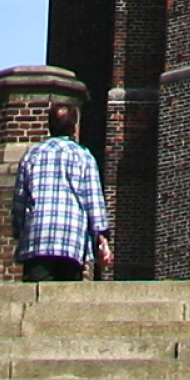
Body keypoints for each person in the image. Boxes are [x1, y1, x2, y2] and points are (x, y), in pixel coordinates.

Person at [12, 101, 113, 283]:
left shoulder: (32, 155)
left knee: (36, 295)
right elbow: (93, 201)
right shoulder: (83, 156)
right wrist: (102, 238)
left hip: (37, 237)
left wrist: (20, 230)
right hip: (71, 239)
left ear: (49, 126)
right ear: (74, 127)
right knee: (66, 295)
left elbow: (20, 199)